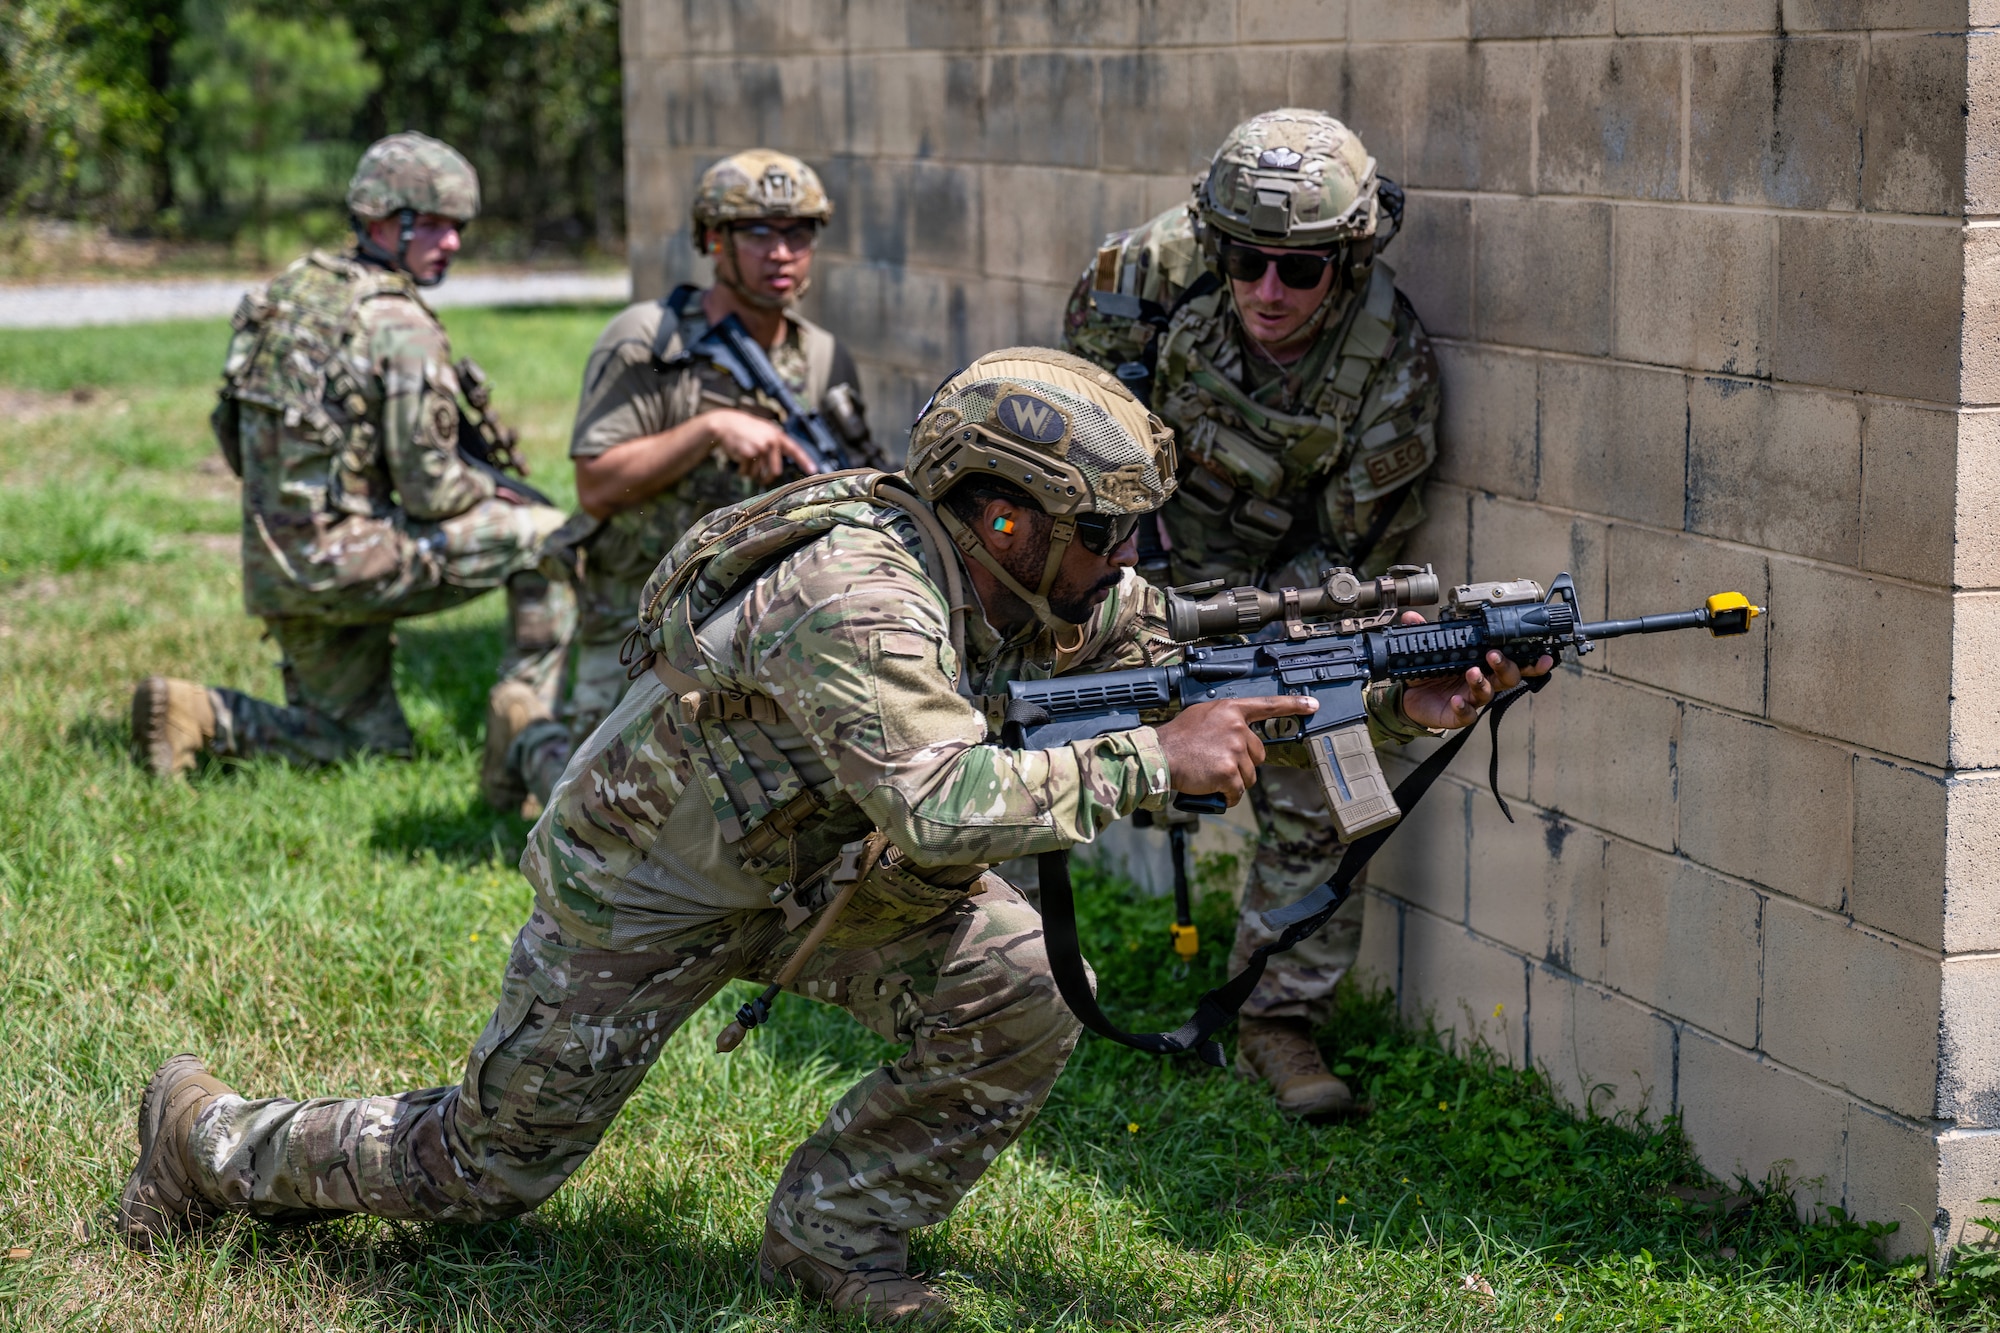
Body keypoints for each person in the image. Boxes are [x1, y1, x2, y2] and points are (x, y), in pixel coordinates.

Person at [116, 348, 1529, 1325]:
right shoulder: (855, 593)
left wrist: (1392, 704)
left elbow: (1198, 681)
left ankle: (837, 1228)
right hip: (655, 875)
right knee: (482, 1173)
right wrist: (1145, 766)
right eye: (1106, 534)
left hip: (827, 870)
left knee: (1015, 987)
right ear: (999, 515)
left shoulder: (1045, 582)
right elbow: (946, 798)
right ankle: (208, 1141)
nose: (1128, 564)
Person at [1065, 108, 1443, 1120]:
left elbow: (1350, 557)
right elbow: (1072, 413)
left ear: (1348, 259)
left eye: (1300, 270)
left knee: (1330, 759)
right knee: (1017, 713)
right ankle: (993, 961)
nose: (1266, 291)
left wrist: (1240, 650)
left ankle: (1276, 1017)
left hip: (1274, 590)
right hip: (1124, 563)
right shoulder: (1152, 276)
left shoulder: (1386, 373)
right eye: (1243, 260)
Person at [130, 131, 573, 777]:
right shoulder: (398, 322)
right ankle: (526, 732)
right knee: (551, 537)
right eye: (434, 226)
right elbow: (430, 491)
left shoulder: (287, 295)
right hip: (346, 563)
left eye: (458, 227)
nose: (451, 243)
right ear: (384, 221)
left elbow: (233, 438)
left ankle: (199, 712)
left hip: (275, 565)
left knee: (364, 744)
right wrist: (494, 492)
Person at [481, 149, 880, 816]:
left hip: (753, 610)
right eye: (757, 233)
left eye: (798, 233)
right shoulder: (647, 340)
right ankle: (525, 730)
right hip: (638, 607)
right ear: (711, 241)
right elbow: (596, 486)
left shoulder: (820, 355)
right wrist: (708, 429)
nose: (780, 253)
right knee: (599, 809)